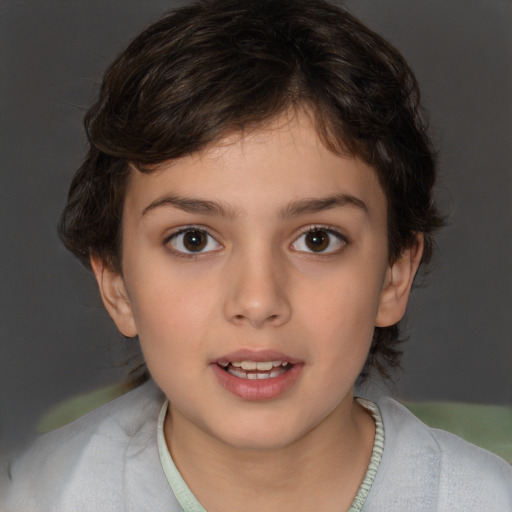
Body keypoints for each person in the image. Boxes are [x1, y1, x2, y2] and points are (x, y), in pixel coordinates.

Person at [2, 0, 511, 510]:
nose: (258, 300)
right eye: (194, 240)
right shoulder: (34, 495)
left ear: (394, 276)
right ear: (115, 283)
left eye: (317, 239)